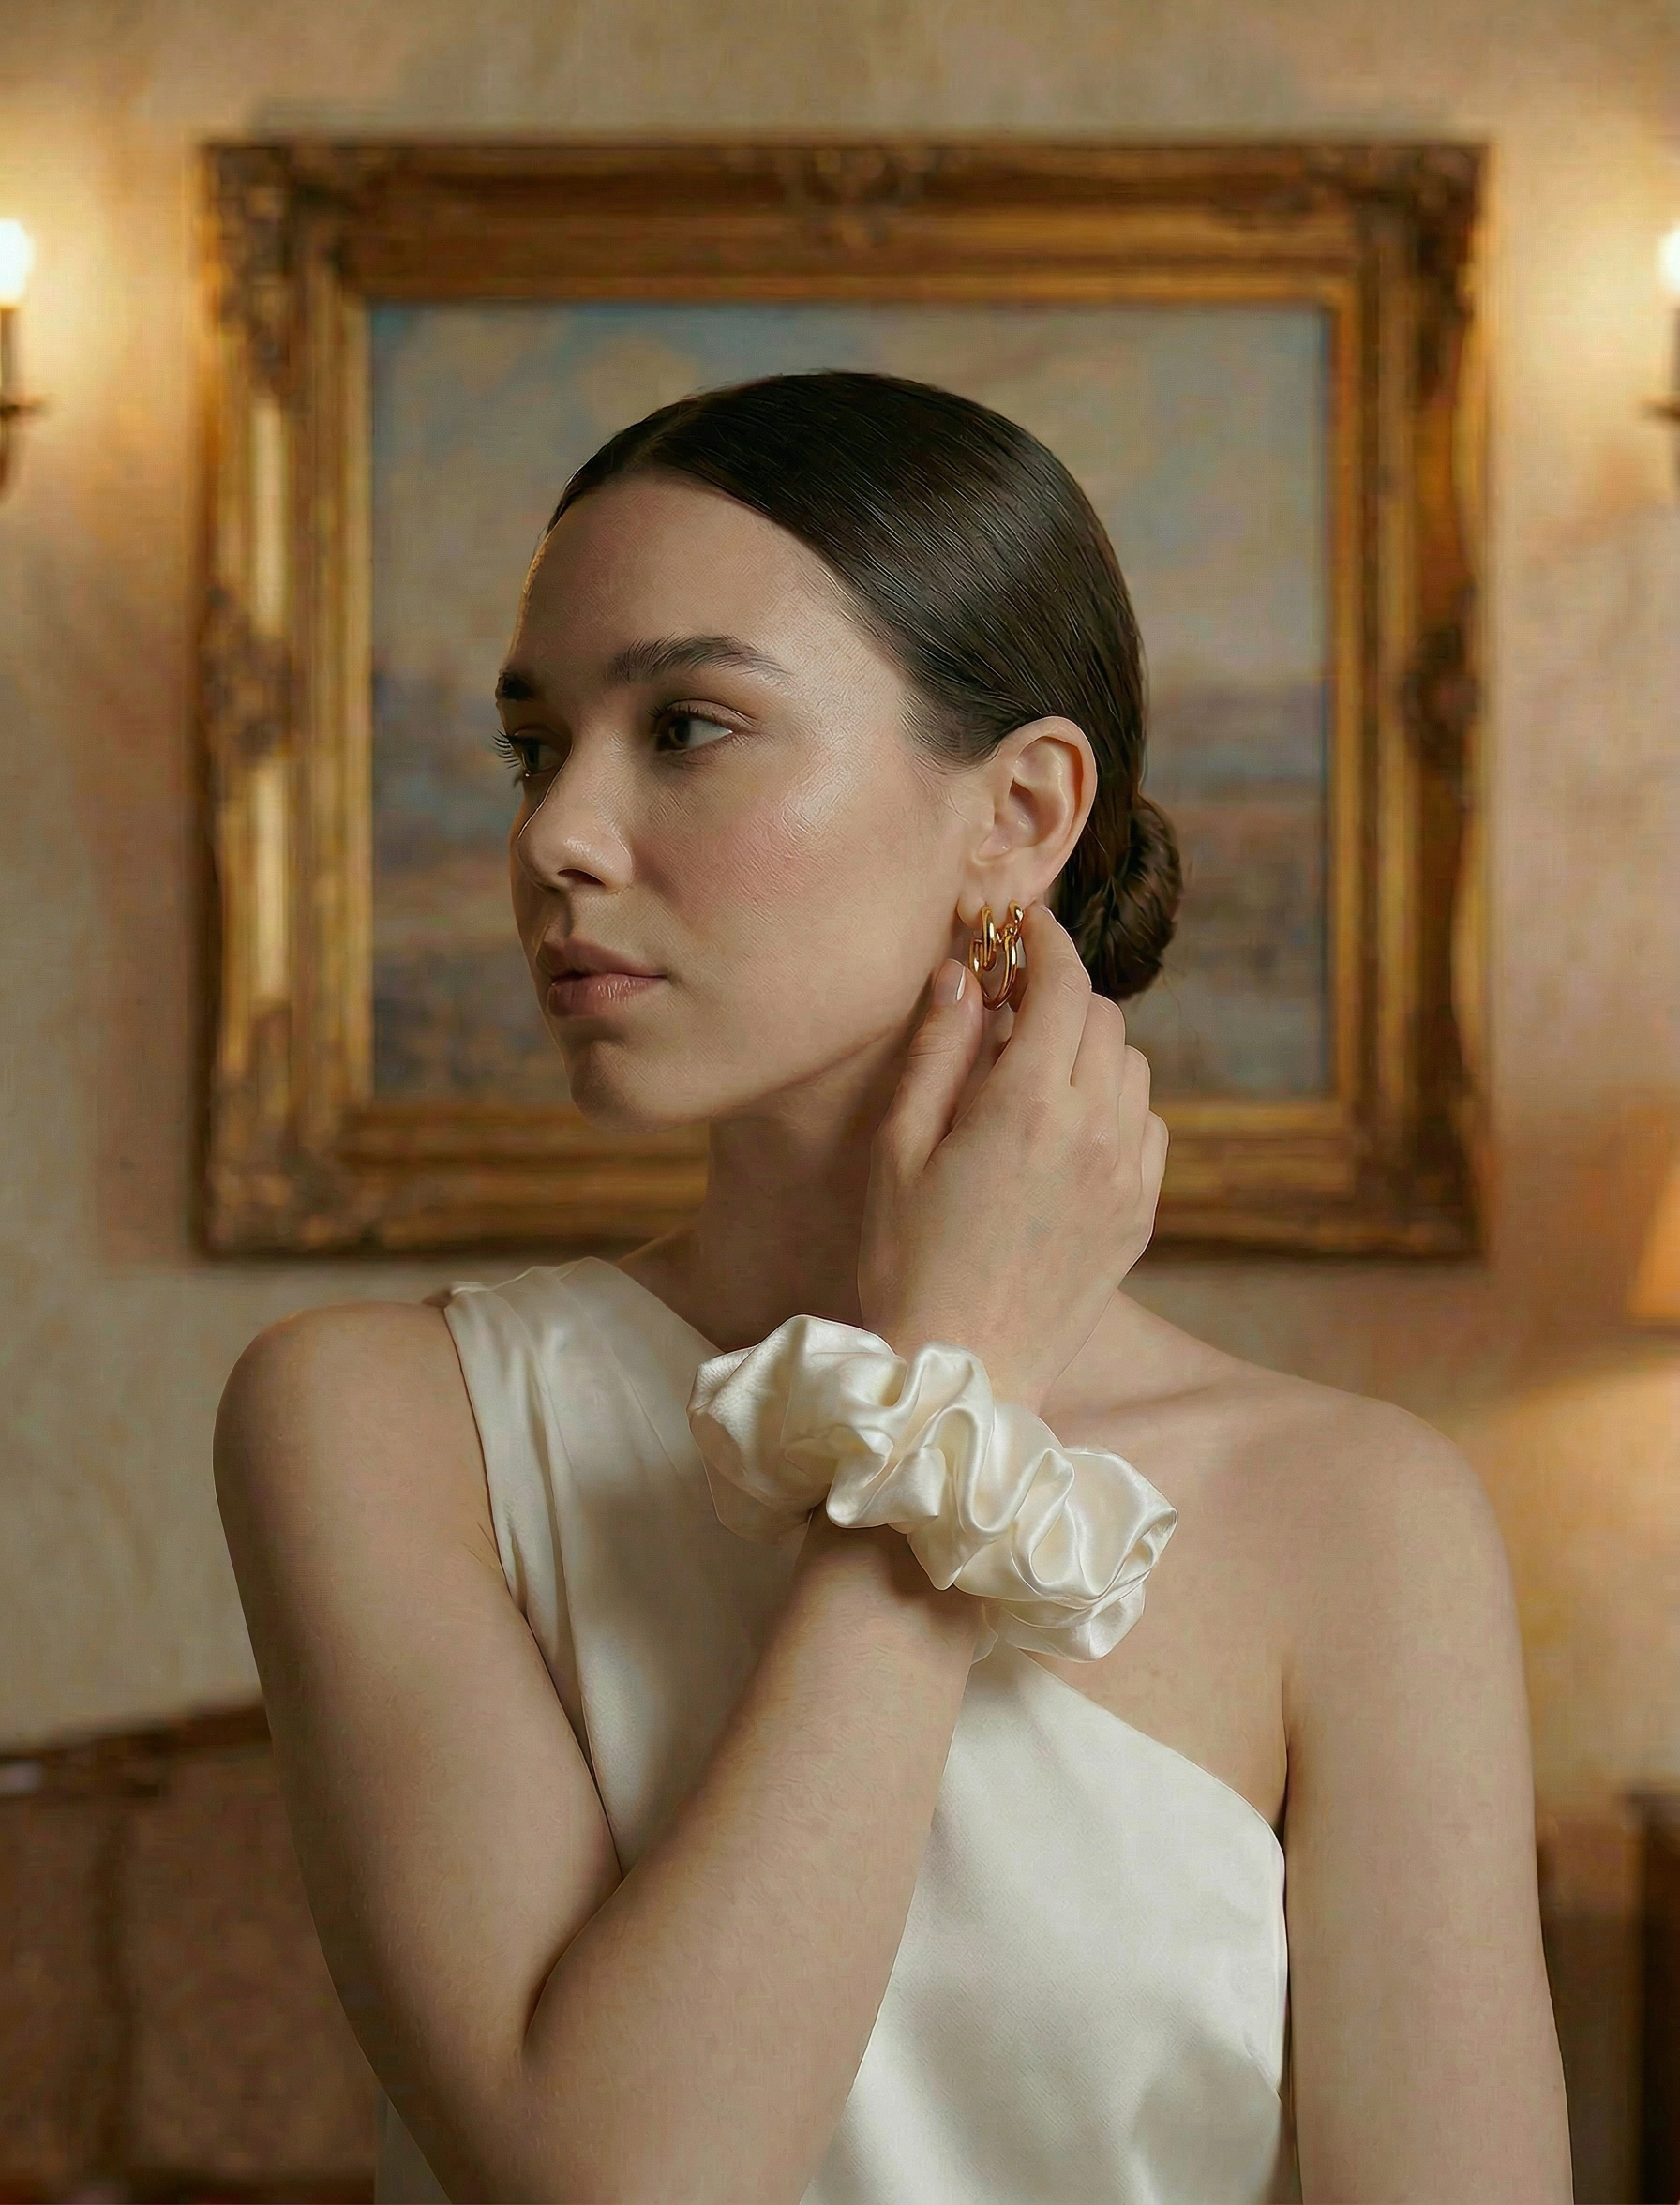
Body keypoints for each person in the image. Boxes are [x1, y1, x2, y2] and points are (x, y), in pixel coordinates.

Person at [214, 371, 1571, 2204]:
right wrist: (953, 1390)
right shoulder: (379, 1422)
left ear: (1017, 811)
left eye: (685, 727)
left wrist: (947, 1400)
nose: (553, 839)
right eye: (536, 749)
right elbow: (618, 2180)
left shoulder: (1357, 1514)